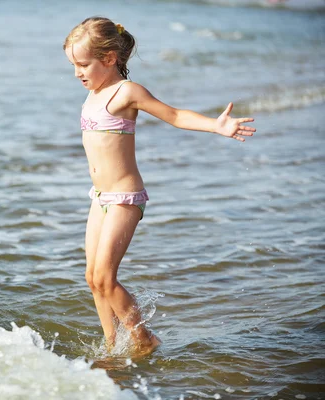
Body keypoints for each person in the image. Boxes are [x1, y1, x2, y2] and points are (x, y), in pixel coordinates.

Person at [63, 17, 255, 356]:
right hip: (99, 198)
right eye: (73, 65)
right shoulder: (93, 93)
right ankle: (111, 343)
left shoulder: (127, 92)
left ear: (109, 58)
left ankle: (143, 338)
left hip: (125, 198)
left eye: (83, 64)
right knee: (92, 278)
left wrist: (216, 125)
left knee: (106, 277)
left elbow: (175, 115)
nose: (77, 72)